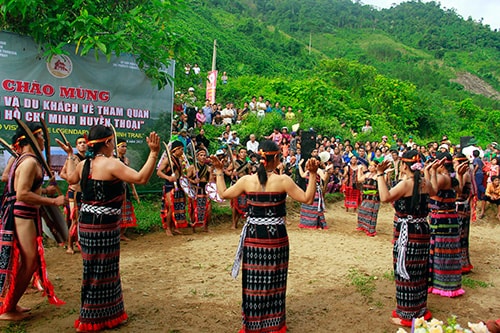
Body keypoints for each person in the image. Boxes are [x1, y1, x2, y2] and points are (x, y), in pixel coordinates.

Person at [210, 140, 319, 333]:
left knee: (253, 280)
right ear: (276, 158)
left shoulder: (246, 181)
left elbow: (224, 193)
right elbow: (308, 199)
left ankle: (252, 324)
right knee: (275, 280)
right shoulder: (283, 180)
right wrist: (312, 174)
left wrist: (219, 171)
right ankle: (274, 324)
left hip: (254, 238)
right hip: (276, 238)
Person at [58, 125, 159, 332]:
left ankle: (109, 314)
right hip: (103, 227)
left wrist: (70, 156)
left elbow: (70, 179)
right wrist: (154, 153)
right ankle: (90, 318)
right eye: (112, 141)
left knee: (96, 271)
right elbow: (141, 178)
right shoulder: (111, 164)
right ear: (106, 143)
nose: (114, 145)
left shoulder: (84, 164)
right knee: (102, 272)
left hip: (87, 227)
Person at [0, 122, 67, 321]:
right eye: (41, 137)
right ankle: (8, 308)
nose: (43, 141)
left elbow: (25, 190)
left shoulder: (25, 160)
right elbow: (22, 194)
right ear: (32, 139)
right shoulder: (29, 162)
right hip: (22, 214)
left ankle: (11, 302)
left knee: (26, 262)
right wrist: (53, 200)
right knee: (30, 262)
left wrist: (46, 191)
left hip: (23, 213)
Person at [376, 150, 435, 327]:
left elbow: (385, 197)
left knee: (405, 271)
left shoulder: (406, 184)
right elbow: (433, 191)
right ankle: (419, 308)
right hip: (422, 230)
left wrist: (379, 175)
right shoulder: (424, 182)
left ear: (403, 165)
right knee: (419, 270)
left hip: (408, 232)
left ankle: (408, 315)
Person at [427, 151, 465, 298]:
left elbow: (432, 191)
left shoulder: (442, 178)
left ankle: (441, 284)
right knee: (448, 252)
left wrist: (429, 172)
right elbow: (460, 191)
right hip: (450, 218)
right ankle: (449, 283)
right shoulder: (452, 177)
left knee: (440, 251)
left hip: (441, 219)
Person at [60, 135, 88, 254]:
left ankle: (80, 242)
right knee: (75, 220)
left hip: (85, 193)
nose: (82, 144)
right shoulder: (72, 158)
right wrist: (72, 180)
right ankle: (70, 246)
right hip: (74, 193)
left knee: (83, 219)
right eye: (80, 143)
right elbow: (62, 174)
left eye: (84, 142)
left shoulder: (88, 159)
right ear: (76, 146)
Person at [157, 140, 187, 236]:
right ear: (175, 149)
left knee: (177, 207)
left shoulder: (179, 160)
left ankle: (175, 227)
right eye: (181, 149)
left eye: (183, 149)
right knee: (171, 207)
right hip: (170, 187)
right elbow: (159, 172)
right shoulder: (167, 160)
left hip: (178, 185)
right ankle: (168, 228)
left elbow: (181, 174)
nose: (182, 151)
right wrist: (168, 177)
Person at [297, 152, 329, 229]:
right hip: (308, 190)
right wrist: (299, 165)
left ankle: (317, 224)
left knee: (315, 208)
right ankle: (307, 223)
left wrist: (327, 171)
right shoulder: (309, 170)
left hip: (316, 191)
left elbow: (324, 178)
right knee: (306, 206)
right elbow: (302, 175)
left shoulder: (319, 170)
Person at [454, 154, 474, 273]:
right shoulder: (466, 174)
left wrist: (458, 174)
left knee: (460, 236)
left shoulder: (464, 174)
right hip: (463, 207)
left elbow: (459, 190)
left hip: (461, 207)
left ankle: (461, 265)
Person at [116, 139, 140, 241]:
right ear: (117, 148)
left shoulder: (126, 160)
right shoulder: (113, 159)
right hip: (115, 188)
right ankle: (115, 233)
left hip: (124, 187)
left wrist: (134, 190)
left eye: (126, 146)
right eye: (122, 146)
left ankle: (122, 233)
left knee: (125, 211)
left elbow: (129, 176)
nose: (125, 148)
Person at [186, 149, 212, 232]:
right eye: (201, 155)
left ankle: (206, 226)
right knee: (195, 208)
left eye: (204, 155)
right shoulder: (192, 167)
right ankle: (194, 226)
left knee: (208, 209)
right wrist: (194, 181)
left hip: (205, 189)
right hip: (196, 190)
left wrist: (210, 190)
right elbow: (186, 178)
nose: (203, 157)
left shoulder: (208, 168)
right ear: (197, 157)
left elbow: (211, 180)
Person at [228, 147, 251, 229]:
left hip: (244, 185)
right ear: (239, 154)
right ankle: (234, 223)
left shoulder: (248, 164)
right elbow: (227, 171)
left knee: (244, 204)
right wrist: (232, 174)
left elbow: (249, 174)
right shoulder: (234, 163)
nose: (243, 154)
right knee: (235, 204)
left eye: (245, 152)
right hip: (236, 184)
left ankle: (241, 220)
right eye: (241, 152)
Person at [356, 161, 381, 237]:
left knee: (371, 214)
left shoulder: (378, 176)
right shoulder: (367, 174)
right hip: (365, 196)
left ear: (376, 167)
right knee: (362, 211)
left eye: (372, 166)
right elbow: (359, 179)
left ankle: (370, 229)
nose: (370, 167)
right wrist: (359, 170)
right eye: (369, 166)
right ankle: (362, 226)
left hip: (373, 197)